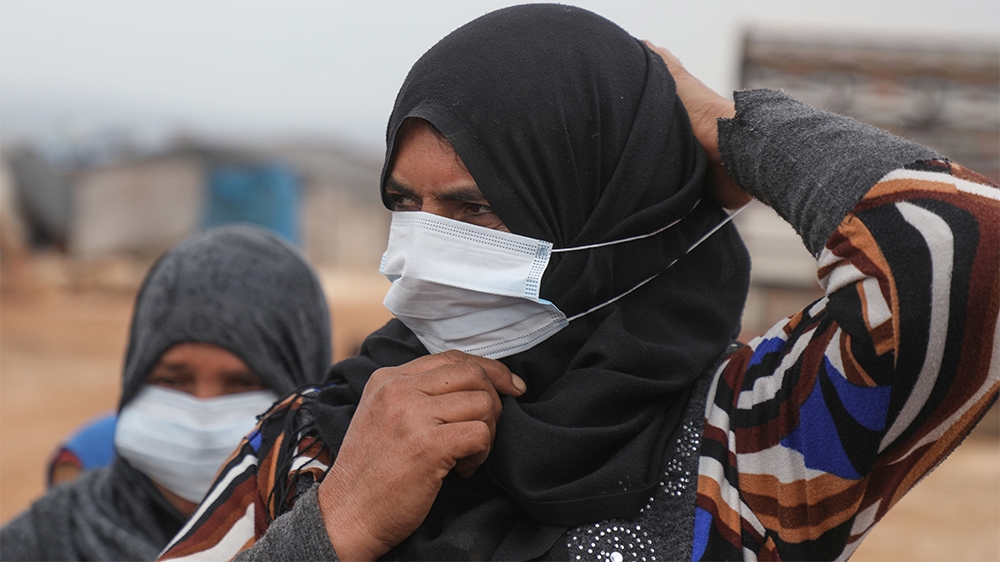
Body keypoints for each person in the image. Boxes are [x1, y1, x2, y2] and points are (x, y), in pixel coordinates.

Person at [159, 5, 999, 561]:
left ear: (610, 212)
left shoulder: (748, 440)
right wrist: (334, 525)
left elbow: (973, 251)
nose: (422, 248)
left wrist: (729, 129)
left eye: (476, 208)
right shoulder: (317, 437)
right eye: (405, 205)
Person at [0, 224, 333, 561]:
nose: (202, 416)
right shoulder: (47, 541)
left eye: (242, 385)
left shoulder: (348, 540)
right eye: (174, 381)